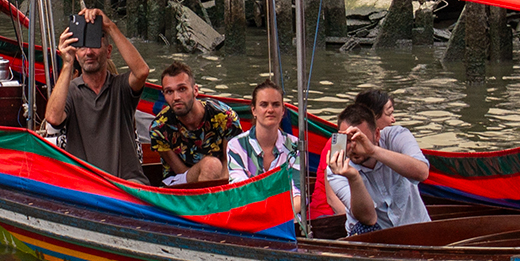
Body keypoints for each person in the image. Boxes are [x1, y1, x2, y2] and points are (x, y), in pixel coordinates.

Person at [222, 77, 376, 233]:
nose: (270, 110)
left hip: (288, 221)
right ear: (254, 110)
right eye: (264, 105)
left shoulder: (296, 146)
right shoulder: (237, 145)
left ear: (283, 111)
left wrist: (273, 216)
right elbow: (240, 192)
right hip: (249, 218)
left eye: (276, 105)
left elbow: (298, 196)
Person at [43, 4, 149, 180]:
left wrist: (110, 27)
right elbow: (53, 119)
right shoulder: (71, 91)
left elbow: (142, 71)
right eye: (82, 47)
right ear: (77, 54)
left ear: (108, 52)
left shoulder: (120, 87)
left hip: (127, 182)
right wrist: (67, 63)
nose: (89, 52)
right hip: (88, 185)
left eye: (93, 45)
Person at [335, 87, 432, 232]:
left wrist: (373, 151)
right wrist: (353, 177)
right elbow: (368, 218)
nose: (354, 147)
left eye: (360, 139)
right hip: (377, 239)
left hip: (417, 230)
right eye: (348, 140)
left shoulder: (396, 135)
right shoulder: (337, 165)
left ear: (377, 135)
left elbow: (422, 173)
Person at [146, 62, 239, 186]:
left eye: (182, 89)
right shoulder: (159, 127)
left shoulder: (225, 116)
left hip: (223, 179)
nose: (176, 97)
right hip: (178, 182)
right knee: (211, 165)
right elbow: (181, 171)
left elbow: (231, 164)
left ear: (195, 90)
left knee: (214, 165)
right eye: (169, 92)